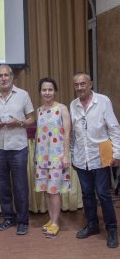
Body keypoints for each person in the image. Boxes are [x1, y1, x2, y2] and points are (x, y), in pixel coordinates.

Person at [70, 72, 119, 248]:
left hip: (101, 156)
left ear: (90, 84)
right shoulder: (73, 105)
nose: (80, 87)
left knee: (104, 194)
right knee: (87, 194)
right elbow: (73, 134)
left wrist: (117, 154)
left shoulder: (103, 101)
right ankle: (92, 225)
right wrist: (71, 155)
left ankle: (112, 229)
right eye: (76, 85)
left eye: (83, 84)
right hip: (81, 158)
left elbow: (114, 128)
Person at [0, 64, 35, 235]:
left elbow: (31, 118)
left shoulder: (23, 95)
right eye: (0, 76)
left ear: (12, 77)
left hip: (18, 147)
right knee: (3, 186)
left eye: (6, 75)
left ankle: (23, 221)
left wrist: (19, 122)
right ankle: (8, 218)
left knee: (20, 186)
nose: (3, 78)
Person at [34, 78, 71, 238]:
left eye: (50, 89)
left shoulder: (62, 108)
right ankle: (51, 219)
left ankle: (55, 223)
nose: (47, 92)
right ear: (40, 92)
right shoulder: (39, 110)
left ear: (55, 91)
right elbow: (38, 134)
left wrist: (66, 154)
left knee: (54, 191)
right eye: (44, 90)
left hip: (57, 156)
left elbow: (68, 133)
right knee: (46, 191)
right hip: (42, 157)